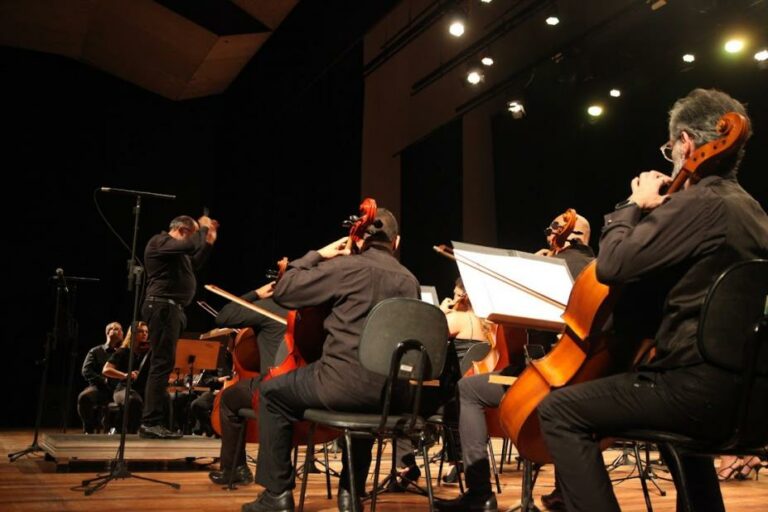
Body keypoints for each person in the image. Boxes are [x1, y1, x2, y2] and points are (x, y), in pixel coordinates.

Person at [536, 88, 768, 512]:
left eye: (671, 149)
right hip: (750, 397)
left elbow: (613, 265)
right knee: (684, 444)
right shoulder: (753, 212)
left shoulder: (701, 204)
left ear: (685, 143)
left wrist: (633, 205)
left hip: (695, 392)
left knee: (558, 411)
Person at [240, 208, 419, 512]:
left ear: (359, 239)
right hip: (392, 394)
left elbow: (284, 290)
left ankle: (277, 495)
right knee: (367, 388)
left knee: (270, 394)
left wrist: (319, 254)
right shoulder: (410, 281)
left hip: (339, 387)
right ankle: (351, 493)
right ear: (396, 241)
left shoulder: (348, 267)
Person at [434, 211, 594, 512]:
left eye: (553, 230)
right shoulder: (598, 270)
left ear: (572, 236)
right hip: (586, 380)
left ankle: (480, 493)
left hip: (546, 379)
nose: (549, 236)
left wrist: (526, 272)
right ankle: (563, 491)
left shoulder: (554, 268)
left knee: (468, 390)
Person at [139, 214, 219, 439]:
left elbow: (194, 263)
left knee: (162, 363)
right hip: (162, 307)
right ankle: (150, 422)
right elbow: (192, 245)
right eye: (193, 234)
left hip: (171, 309)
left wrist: (209, 242)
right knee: (162, 364)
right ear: (184, 231)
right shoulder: (160, 242)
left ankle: (152, 421)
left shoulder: (176, 254)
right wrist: (203, 229)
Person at [206, 282, 289, 483]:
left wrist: (256, 293)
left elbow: (223, 317)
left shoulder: (271, 307)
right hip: (310, 385)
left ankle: (235, 470)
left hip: (275, 386)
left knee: (228, 398)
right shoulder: (315, 308)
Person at [102, 322, 150, 434]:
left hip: (142, 389)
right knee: (133, 400)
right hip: (123, 388)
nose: (144, 334)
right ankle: (130, 433)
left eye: (146, 332)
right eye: (141, 331)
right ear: (132, 334)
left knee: (164, 398)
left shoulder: (147, 353)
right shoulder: (123, 351)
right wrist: (125, 375)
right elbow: (106, 370)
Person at [77, 321, 123, 433]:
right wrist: (104, 380)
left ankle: (116, 429)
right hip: (100, 387)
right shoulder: (95, 351)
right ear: (108, 332)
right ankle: (89, 429)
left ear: (122, 334)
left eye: (118, 329)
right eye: (112, 328)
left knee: (130, 400)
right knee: (84, 397)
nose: (115, 330)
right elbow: (86, 370)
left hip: (119, 388)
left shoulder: (124, 353)